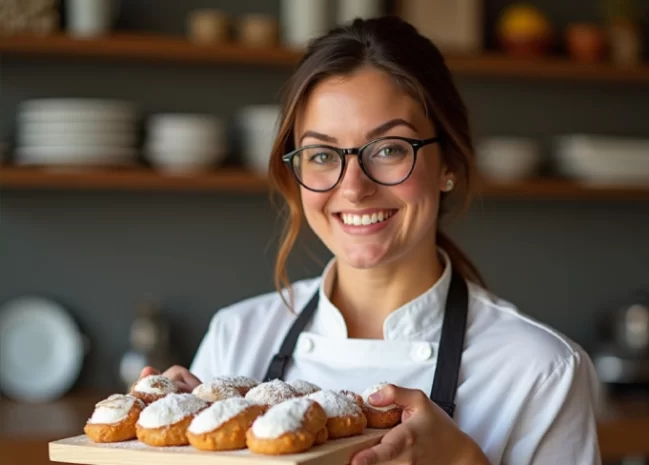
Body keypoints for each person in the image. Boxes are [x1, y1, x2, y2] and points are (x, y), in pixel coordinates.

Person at [140, 16, 602, 465]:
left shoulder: (540, 371)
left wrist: (463, 460)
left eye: (388, 149)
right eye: (322, 154)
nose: (353, 188)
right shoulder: (235, 338)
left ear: (449, 165)